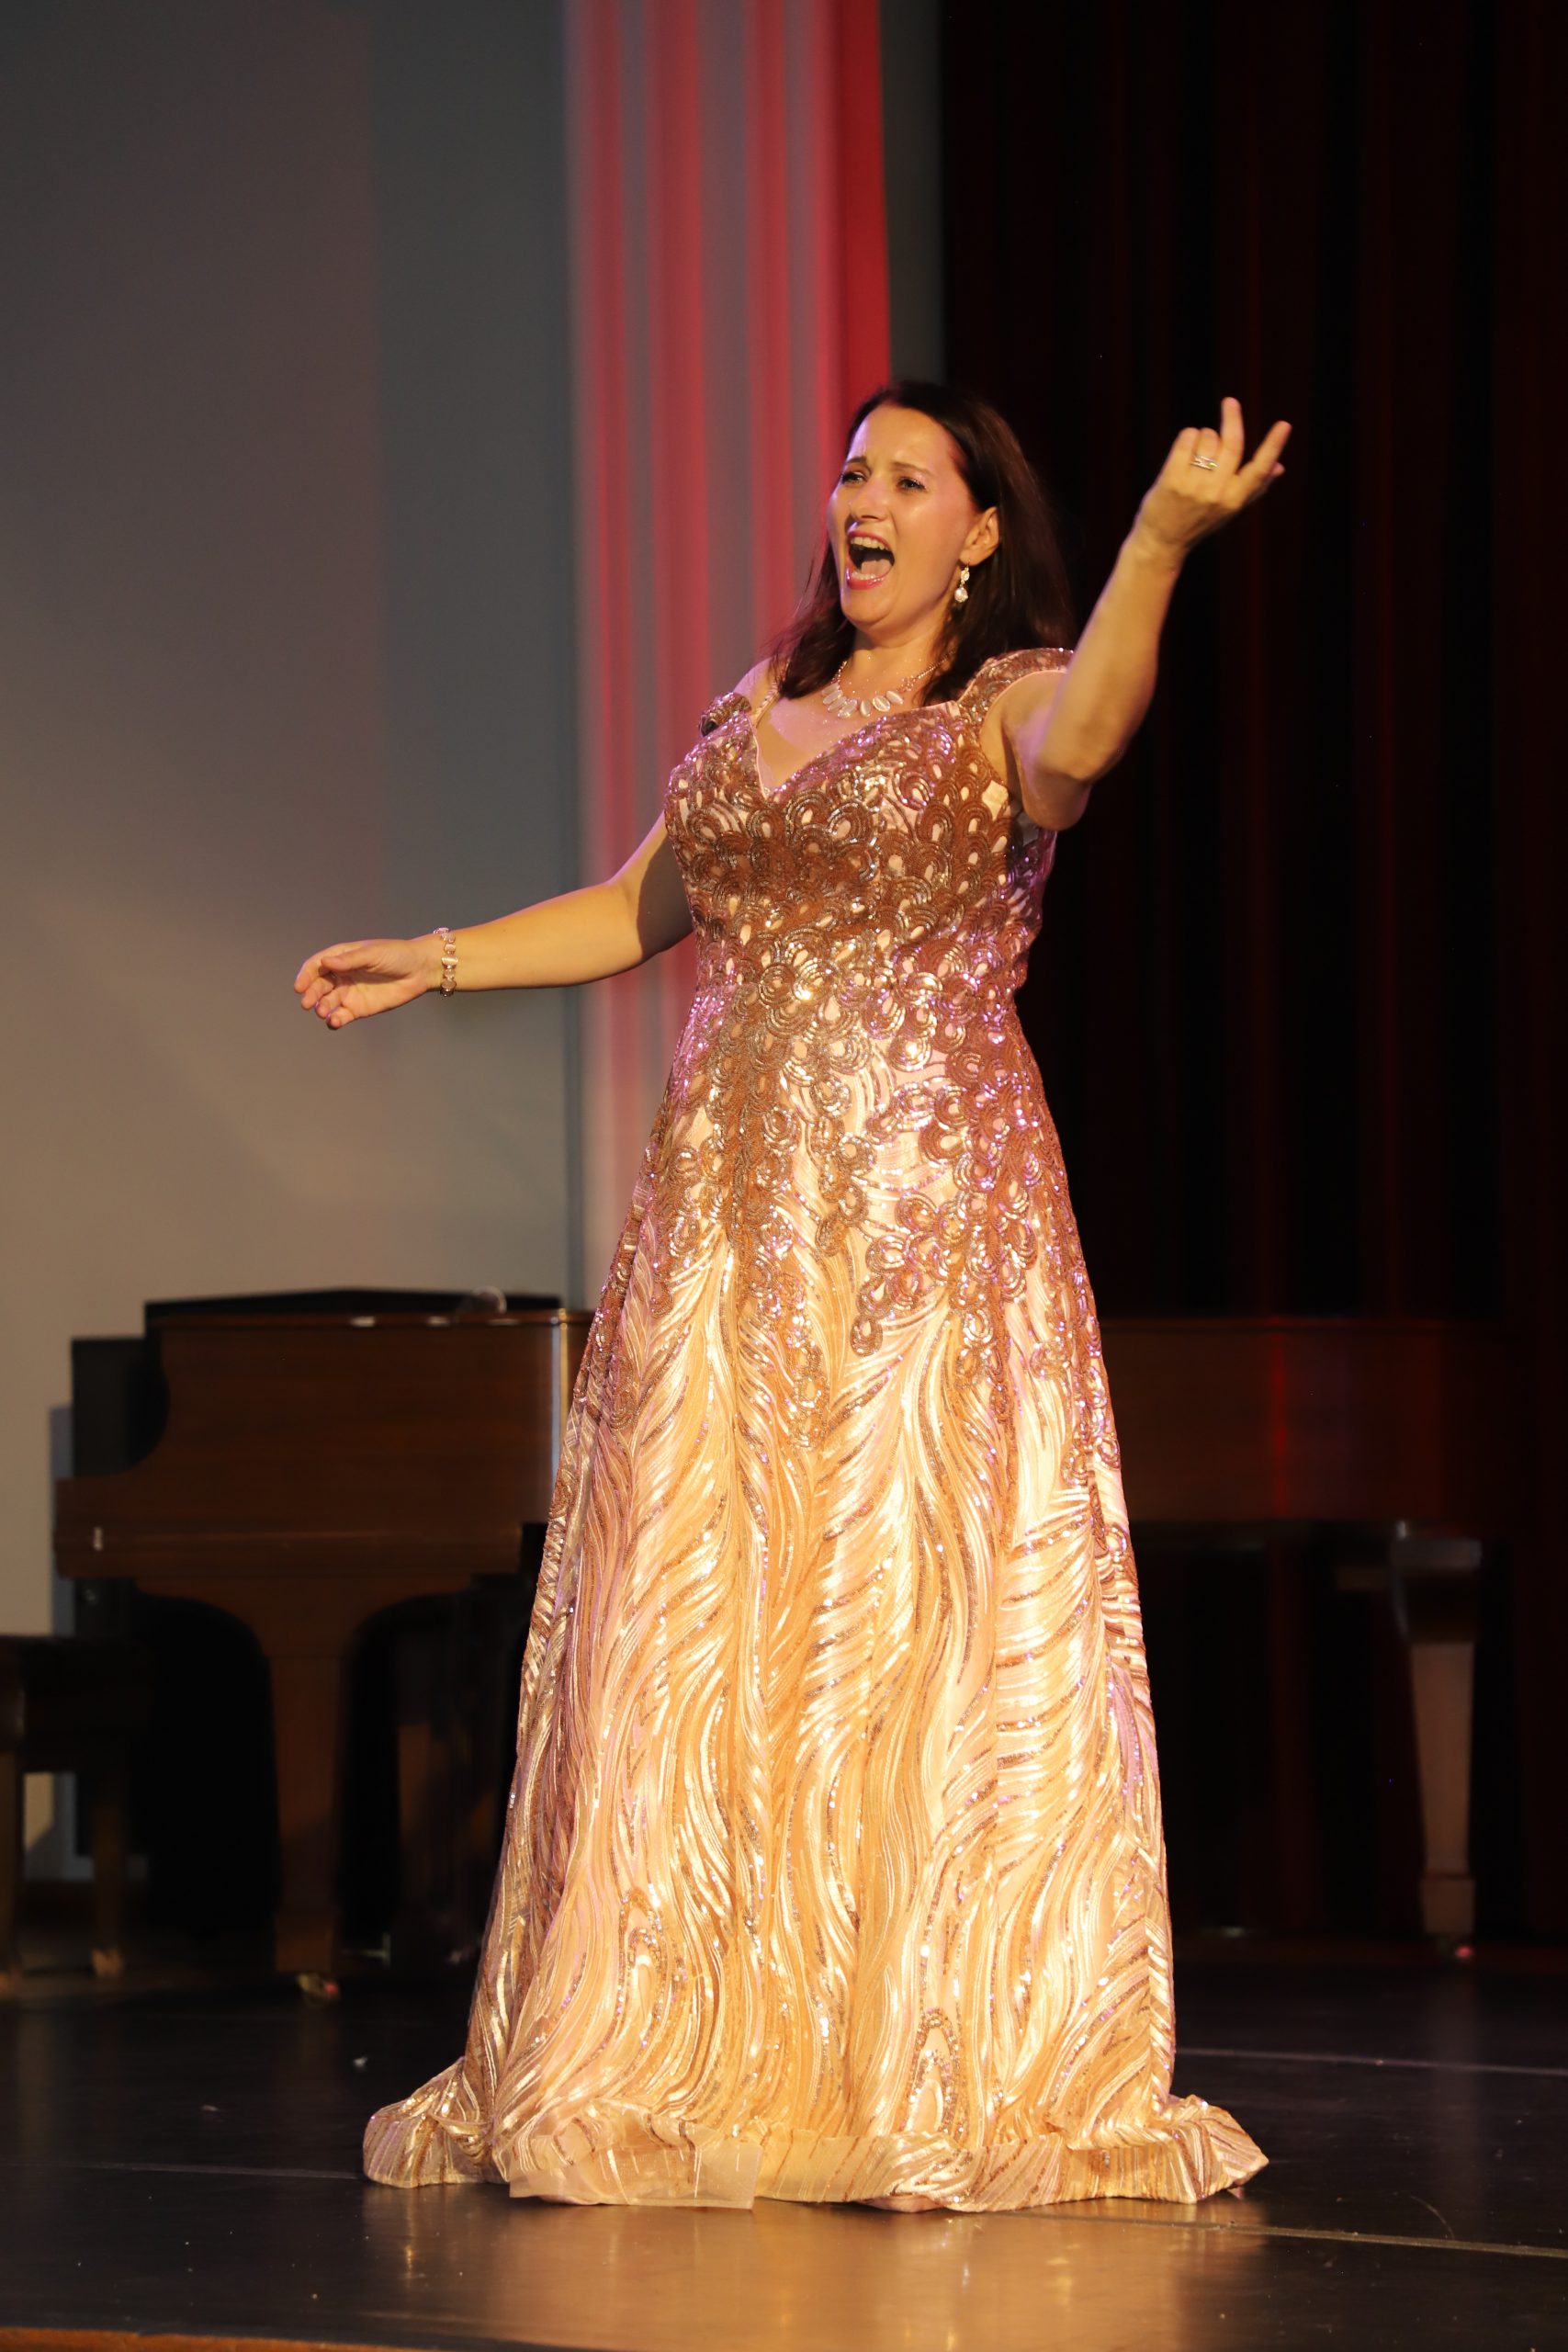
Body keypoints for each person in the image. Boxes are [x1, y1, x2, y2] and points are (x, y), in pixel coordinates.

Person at [296, 380, 1289, 2211]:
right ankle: (701, 2044)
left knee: (897, 1608)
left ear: (976, 533)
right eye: (849, 471)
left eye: (906, 477)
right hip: (727, 1228)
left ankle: (905, 2051)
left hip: (923, 1233)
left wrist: (1159, 538)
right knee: (710, 1616)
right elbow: (631, 910)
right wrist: (428, 962)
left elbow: (1091, 732)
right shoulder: (758, 706)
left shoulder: (1003, 705)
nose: (861, 500)